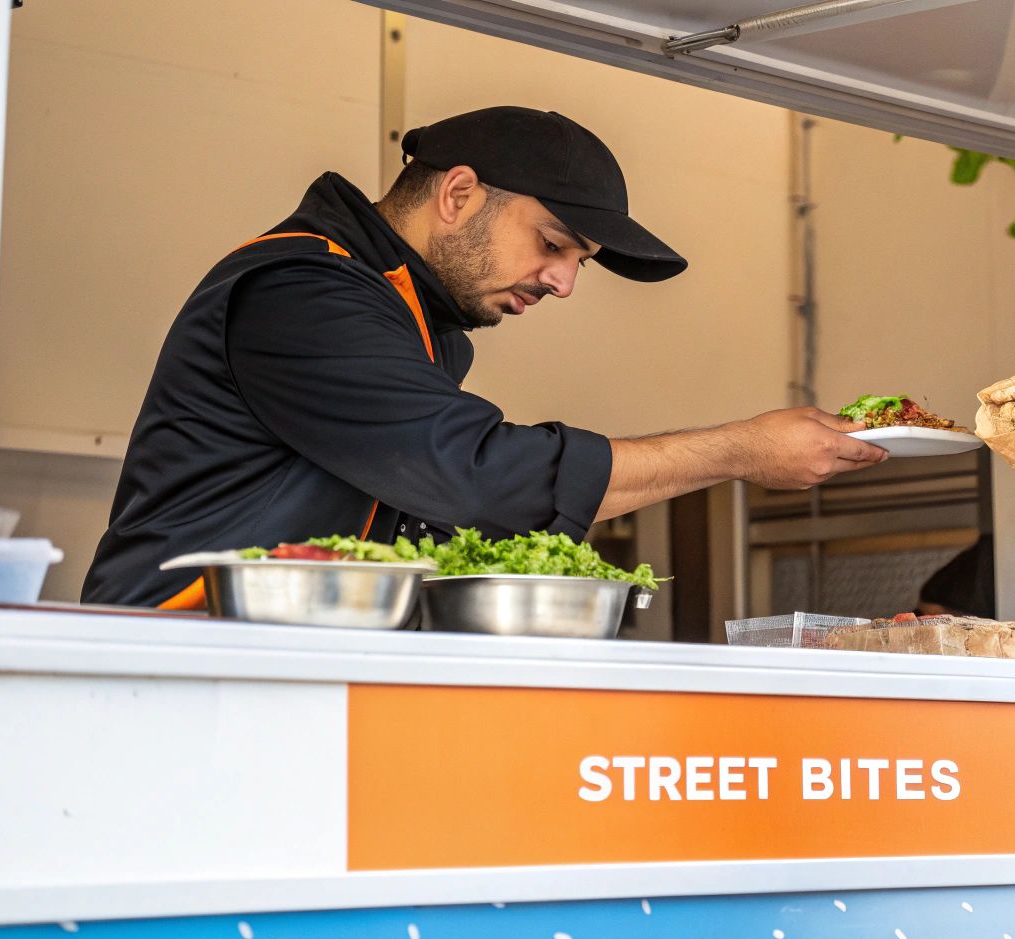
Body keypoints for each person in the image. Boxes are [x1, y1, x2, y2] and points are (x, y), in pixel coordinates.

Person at [83, 106, 886, 607]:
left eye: (579, 261)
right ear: (458, 194)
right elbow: (472, 473)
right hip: (174, 660)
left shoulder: (413, 321)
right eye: (553, 245)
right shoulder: (302, 290)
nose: (565, 283)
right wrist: (740, 450)